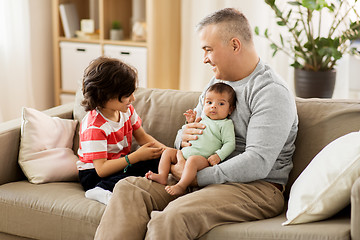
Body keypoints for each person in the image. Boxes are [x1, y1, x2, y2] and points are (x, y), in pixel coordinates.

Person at [95, 8, 298, 239]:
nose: (204, 59)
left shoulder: (270, 92)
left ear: (234, 45)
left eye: (208, 50)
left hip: (255, 186)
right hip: (198, 172)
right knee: (129, 189)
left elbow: (258, 162)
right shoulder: (216, 83)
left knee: (172, 216)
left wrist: (195, 177)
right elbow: (186, 137)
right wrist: (183, 136)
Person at [77, 56, 166, 205]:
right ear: (105, 96)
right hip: (94, 174)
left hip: (120, 163)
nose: (133, 99)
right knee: (129, 174)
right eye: (126, 95)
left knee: (156, 159)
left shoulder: (126, 110)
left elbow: (142, 136)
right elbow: (102, 169)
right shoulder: (94, 127)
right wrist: (135, 157)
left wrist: (167, 152)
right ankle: (98, 191)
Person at [145, 82, 236, 195]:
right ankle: (162, 176)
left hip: (202, 159)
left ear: (230, 109)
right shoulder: (202, 118)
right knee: (168, 152)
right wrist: (191, 122)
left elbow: (230, 143)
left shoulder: (225, 124)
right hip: (183, 154)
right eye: (209, 102)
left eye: (221, 104)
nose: (213, 106)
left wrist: (218, 155)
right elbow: (191, 132)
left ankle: (181, 186)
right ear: (203, 104)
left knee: (192, 160)